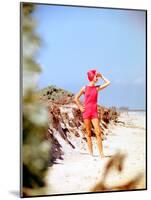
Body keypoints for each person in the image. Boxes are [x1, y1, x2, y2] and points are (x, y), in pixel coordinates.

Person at [74, 69, 110, 158]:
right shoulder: (84, 88)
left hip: (94, 112)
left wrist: (102, 76)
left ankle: (101, 154)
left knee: (98, 133)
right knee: (88, 133)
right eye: (95, 76)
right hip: (86, 112)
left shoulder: (97, 88)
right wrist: (80, 107)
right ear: (92, 77)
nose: (96, 77)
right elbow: (75, 98)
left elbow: (108, 82)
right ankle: (91, 154)